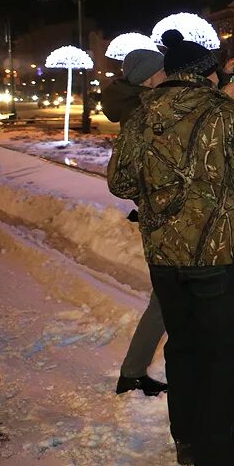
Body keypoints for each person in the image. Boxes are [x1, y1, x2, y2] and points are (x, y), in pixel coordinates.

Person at [107, 29, 234, 466]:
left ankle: (187, 441)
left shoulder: (142, 115)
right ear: (206, 73)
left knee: (183, 350)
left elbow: (120, 182)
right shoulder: (226, 114)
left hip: (163, 255)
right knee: (222, 359)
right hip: (217, 257)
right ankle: (218, 465)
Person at [102, 48, 169, 396]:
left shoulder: (141, 105)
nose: (167, 73)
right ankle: (133, 372)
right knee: (169, 296)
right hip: (163, 216)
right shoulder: (145, 110)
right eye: (162, 70)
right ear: (147, 78)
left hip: (158, 214)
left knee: (166, 296)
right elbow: (125, 174)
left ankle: (132, 371)